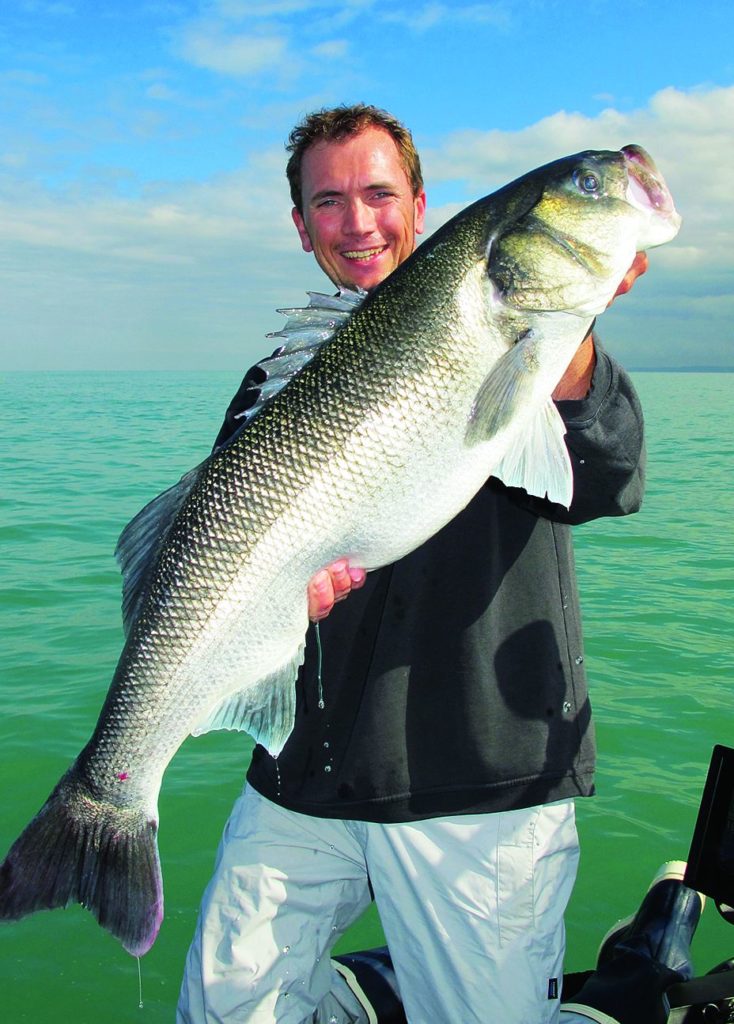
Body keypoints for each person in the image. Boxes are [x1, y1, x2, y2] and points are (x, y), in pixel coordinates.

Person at [177, 104, 648, 1024]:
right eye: (330, 200)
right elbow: (222, 567)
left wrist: (568, 351)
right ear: (302, 224)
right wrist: (285, 604)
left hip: (472, 771)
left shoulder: (533, 343)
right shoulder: (274, 384)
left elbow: (611, 476)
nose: (359, 222)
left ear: (421, 204)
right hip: (308, 768)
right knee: (223, 1009)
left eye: (380, 194)